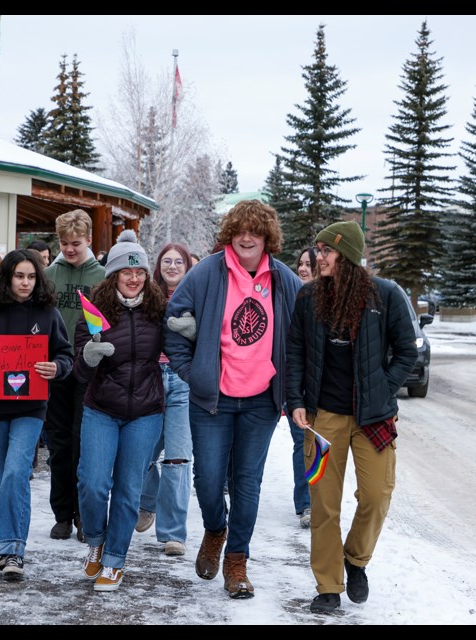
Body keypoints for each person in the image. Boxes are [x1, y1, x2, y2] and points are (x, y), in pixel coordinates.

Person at [164, 199, 301, 599]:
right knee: (207, 480)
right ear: (230, 233)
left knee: (247, 482)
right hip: (213, 400)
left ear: (266, 237)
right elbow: (173, 326)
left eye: (254, 231)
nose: (246, 237)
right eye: (239, 230)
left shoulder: (284, 279)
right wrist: (194, 372)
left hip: (261, 401)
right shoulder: (207, 272)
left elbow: (300, 338)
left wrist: (293, 392)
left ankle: (237, 560)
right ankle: (215, 529)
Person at [286, 221, 417, 614]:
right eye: (318, 251)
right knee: (324, 503)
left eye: (325, 252)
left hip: (373, 419)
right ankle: (328, 585)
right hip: (323, 418)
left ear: (346, 255)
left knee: (377, 495)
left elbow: (407, 352)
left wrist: (381, 387)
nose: (318, 258)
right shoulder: (308, 299)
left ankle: (355, 560)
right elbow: (294, 353)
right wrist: (296, 400)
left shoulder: (385, 295)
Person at [0, 250, 73, 580]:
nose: (25, 282)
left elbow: (65, 354)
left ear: (38, 279)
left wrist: (57, 367)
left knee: (15, 473)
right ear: (6, 278)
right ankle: (1, 545)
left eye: (31, 276)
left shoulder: (48, 314)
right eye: (19, 276)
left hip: (31, 407)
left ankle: (14, 550)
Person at [74, 230, 166, 592]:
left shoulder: (158, 310)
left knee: (128, 489)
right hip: (102, 408)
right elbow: (80, 373)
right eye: (126, 272)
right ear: (113, 275)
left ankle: (115, 558)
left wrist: (184, 334)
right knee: (93, 483)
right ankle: (96, 539)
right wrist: (88, 357)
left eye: (139, 271)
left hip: (145, 411)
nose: (133, 278)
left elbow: (178, 345)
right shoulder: (94, 313)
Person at [43, 209, 106, 541]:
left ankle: (84, 512)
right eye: (65, 243)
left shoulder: (102, 277)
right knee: (59, 443)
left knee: (85, 442)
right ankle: (62, 513)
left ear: (89, 241)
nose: (69, 249)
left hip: (89, 369)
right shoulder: (49, 274)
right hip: (56, 369)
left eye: (76, 244)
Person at [136, 242, 194, 556]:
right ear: (158, 267)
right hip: (150, 379)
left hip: (182, 381)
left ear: (187, 267)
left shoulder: (198, 296)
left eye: (178, 262)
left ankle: (173, 533)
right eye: (166, 261)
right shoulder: (149, 297)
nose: (172, 266)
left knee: (177, 458)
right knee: (141, 454)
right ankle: (148, 502)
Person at [287, 246, 318, 529]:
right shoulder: (292, 297)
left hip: (320, 387)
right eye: (300, 264)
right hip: (293, 383)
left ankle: (316, 500)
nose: (303, 268)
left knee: (315, 444)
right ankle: (306, 504)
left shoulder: (325, 300)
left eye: (309, 264)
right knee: (301, 443)